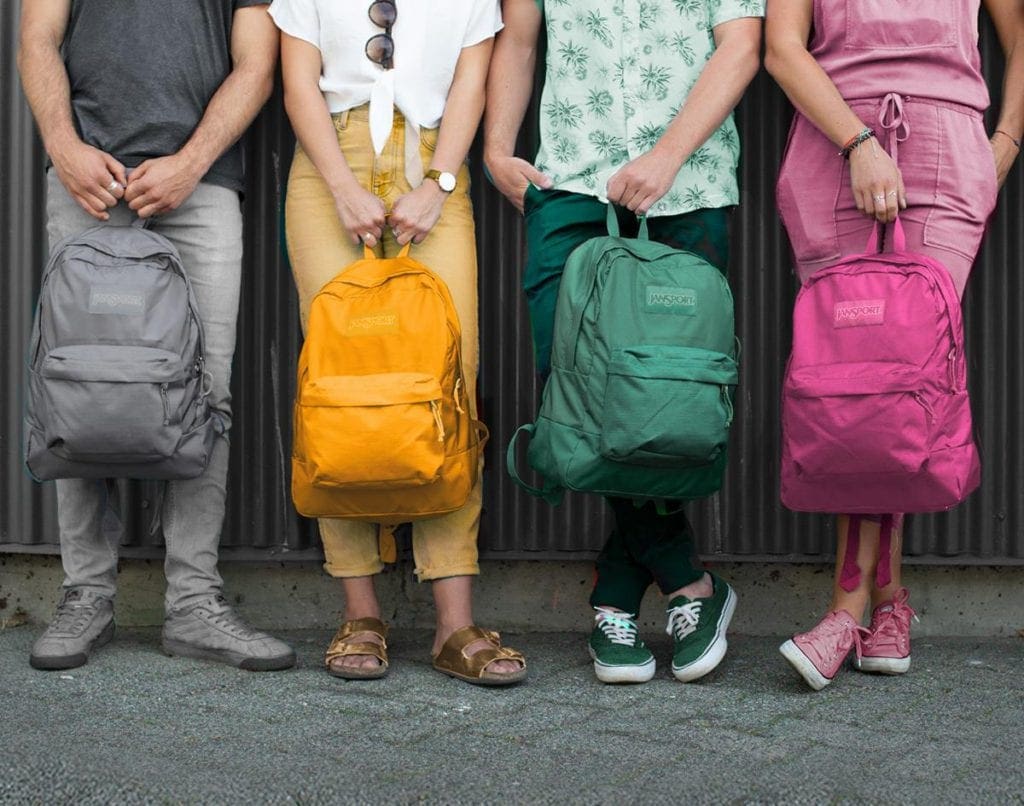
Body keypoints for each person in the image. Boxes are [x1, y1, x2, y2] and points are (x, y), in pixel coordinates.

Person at [486, 0, 763, 683]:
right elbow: (520, 40)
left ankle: (614, 592)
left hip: (687, 187)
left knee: (665, 402)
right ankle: (685, 581)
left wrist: (666, 156)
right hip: (570, 184)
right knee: (577, 393)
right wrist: (495, 148)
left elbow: (741, 47)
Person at [18, 0, 296, 671]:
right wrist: (63, 145)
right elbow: (37, 39)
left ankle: (194, 607)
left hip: (198, 191)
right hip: (86, 184)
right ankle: (86, 596)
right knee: (76, 390)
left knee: (207, 394)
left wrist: (191, 162)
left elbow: (256, 65)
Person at [766, 0, 1023, 689]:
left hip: (945, 150)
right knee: (855, 382)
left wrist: (1006, 141)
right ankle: (885, 607)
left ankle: (847, 612)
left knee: (908, 378)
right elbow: (782, 49)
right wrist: (858, 144)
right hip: (831, 144)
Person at [270, 0, 526, 685]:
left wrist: (440, 183)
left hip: (435, 165)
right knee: (338, 386)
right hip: (330, 166)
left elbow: (472, 82)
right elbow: (298, 84)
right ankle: (361, 613)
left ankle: (454, 624)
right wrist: (341, 186)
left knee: (452, 384)